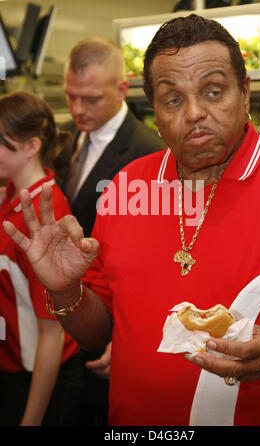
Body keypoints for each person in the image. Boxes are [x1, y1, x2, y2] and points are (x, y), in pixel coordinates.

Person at [3, 14, 260, 426]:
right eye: (173, 99)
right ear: (154, 112)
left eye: (214, 92)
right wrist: (67, 289)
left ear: (245, 92)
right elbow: (100, 332)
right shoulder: (126, 186)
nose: (195, 112)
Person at [61, 36, 164, 425]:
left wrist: (125, 339)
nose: (77, 109)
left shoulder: (146, 154)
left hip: (113, 333)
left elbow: (156, 261)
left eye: (91, 99)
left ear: (122, 89)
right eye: (71, 97)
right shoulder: (68, 137)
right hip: (69, 316)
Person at [0, 90, 84, 426]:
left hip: (39, 380)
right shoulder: (13, 193)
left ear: (32, 147)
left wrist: (30, 421)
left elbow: (53, 334)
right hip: (14, 368)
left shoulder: (45, 214)